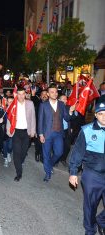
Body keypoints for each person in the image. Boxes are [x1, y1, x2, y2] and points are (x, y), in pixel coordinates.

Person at [69, 101, 105, 235]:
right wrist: (73, 172)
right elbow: (78, 152)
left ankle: (101, 221)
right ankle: (90, 230)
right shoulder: (87, 130)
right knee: (90, 206)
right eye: (100, 114)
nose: (104, 117)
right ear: (95, 115)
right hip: (92, 175)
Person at [38, 84, 73, 182]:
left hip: (58, 133)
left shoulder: (62, 104)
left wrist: (70, 111)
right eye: (52, 92)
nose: (54, 94)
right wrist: (40, 134)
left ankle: (49, 164)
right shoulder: (43, 105)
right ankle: (47, 173)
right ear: (48, 94)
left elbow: (66, 118)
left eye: (56, 92)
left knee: (59, 152)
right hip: (47, 133)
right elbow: (40, 120)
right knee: (46, 154)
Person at [7, 87, 36, 182]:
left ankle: (20, 161)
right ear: (16, 95)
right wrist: (8, 130)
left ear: (25, 94)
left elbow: (33, 118)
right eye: (19, 94)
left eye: (22, 94)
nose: (21, 96)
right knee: (16, 153)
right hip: (16, 132)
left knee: (23, 152)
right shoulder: (13, 104)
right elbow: (8, 118)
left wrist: (33, 131)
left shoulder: (30, 103)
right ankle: (19, 173)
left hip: (26, 132)